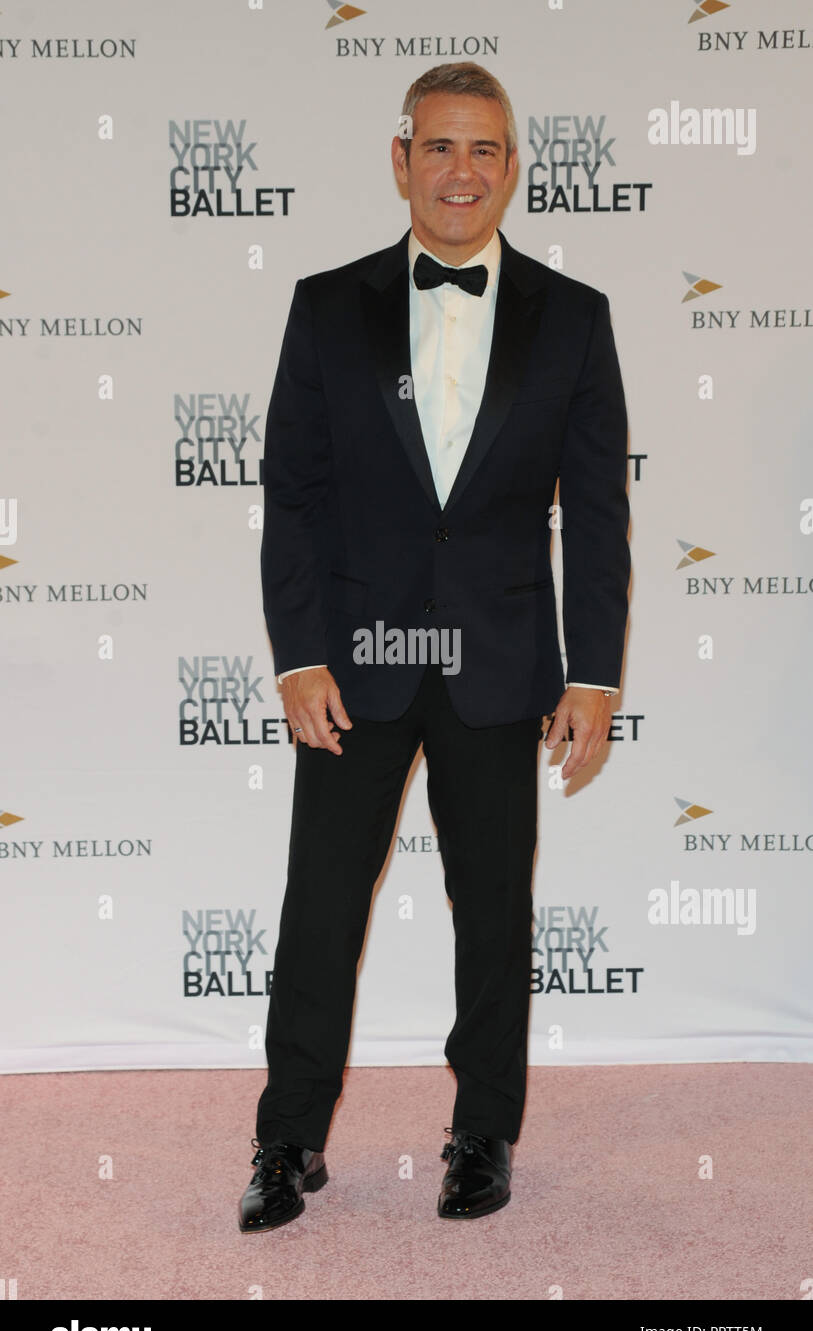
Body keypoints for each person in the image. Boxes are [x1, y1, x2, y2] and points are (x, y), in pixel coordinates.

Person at [238, 61, 630, 1232]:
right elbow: (293, 493)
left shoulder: (576, 318)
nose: (463, 172)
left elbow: (599, 512)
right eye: (441, 148)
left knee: (495, 909)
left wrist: (595, 672)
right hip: (353, 664)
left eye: (487, 151)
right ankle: (287, 1139)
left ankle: (483, 1131)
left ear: (512, 168)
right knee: (320, 904)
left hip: (504, 662)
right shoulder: (325, 305)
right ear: (400, 158)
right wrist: (298, 651)